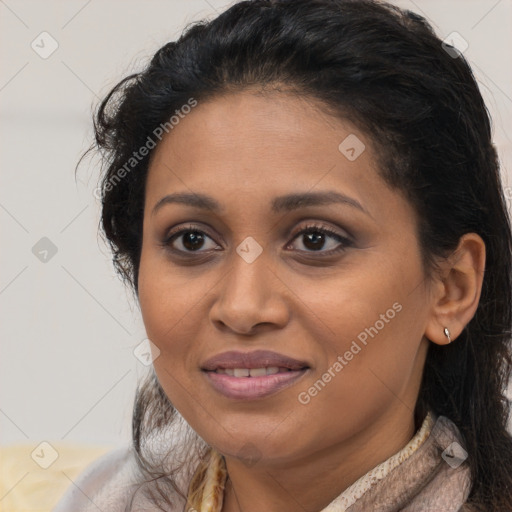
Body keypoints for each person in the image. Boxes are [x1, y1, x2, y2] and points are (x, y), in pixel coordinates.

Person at [52, 0, 512, 510]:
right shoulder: (104, 497)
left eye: (316, 239)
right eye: (192, 240)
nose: (243, 308)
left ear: (452, 288)